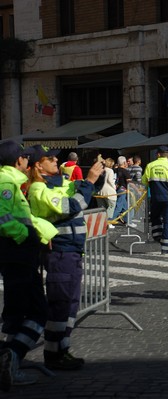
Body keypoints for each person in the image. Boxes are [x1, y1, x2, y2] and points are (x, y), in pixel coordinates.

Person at [27, 144, 104, 370]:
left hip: (72, 250)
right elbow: (72, 205)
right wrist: (88, 182)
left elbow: (78, 190)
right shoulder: (38, 190)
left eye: (55, 158)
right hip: (60, 251)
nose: (55, 161)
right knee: (60, 304)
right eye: (49, 159)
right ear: (38, 166)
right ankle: (53, 355)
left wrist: (93, 177)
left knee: (71, 304)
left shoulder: (58, 183)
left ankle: (63, 348)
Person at [0, 141, 57, 390]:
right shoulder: (6, 183)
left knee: (24, 311)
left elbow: (24, 217)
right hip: (16, 254)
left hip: (19, 254)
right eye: (24, 157)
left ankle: (9, 360)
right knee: (33, 311)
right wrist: (28, 236)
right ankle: (10, 359)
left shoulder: (11, 182)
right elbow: (4, 220)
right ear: (18, 161)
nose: (27, 161)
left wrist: (42, 233)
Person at [142, 146, 168, 254]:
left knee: (154, 218)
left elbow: (144, 182)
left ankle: (157, 236)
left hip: (155, 198)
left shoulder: (150, 166)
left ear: (158, 154)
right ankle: (165, 249)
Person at [96, 157, 117, 229]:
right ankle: (108, 222)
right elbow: (110, 180)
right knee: (111, 206)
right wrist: (114, 187)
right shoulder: (110, 171)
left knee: (102, 207)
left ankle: (101, 223)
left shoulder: (101, 170)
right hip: (109, 192)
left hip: (100, 191)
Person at [112, 156, 132, 226]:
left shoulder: (115, 170)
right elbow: (129, 182)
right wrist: (136, 189)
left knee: (125, 207)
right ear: (124, 162)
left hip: (117, 189)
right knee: (119, 206)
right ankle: (110, 221)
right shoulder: (125, 171)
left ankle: (127, 221)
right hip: (123, 190)